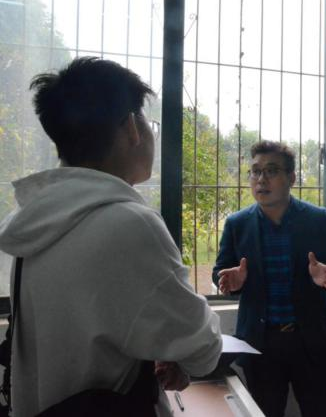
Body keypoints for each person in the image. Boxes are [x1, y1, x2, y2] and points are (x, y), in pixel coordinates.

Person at [0, 57, 223, 416]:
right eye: (149, 123)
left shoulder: (32, 220)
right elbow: (202, 349)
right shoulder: (130, 225)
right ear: (132, 128)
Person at [212, 140, 326, 417]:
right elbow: (221, 272)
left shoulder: (318, 219)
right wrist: (231, 281)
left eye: (271, 171)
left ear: (291, 178)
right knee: (264, 411)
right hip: (261, 343)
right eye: (255, 171)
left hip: (309, 340)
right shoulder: (237, 224)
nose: (261, 179)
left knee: (320, 410)